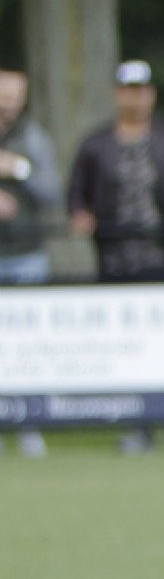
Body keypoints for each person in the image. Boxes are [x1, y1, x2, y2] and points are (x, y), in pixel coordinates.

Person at [68, 59, 164, 454]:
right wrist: (80, 215)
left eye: (141, 89)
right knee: (125, 343)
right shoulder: (97, 142)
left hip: (163, 253)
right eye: (128, 89)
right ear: (117, 94)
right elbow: (77, 192)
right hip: (115, 256)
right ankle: (134, 425)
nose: (135, 96)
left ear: (150, 94)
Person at [0, 67, 51, 455]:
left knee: (29, 347)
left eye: (15, 95)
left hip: (26, 257)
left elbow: (52, 191)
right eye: (3, 94)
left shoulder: (32, 138)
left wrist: (17, 168)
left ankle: (29, 427)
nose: (8, 102)